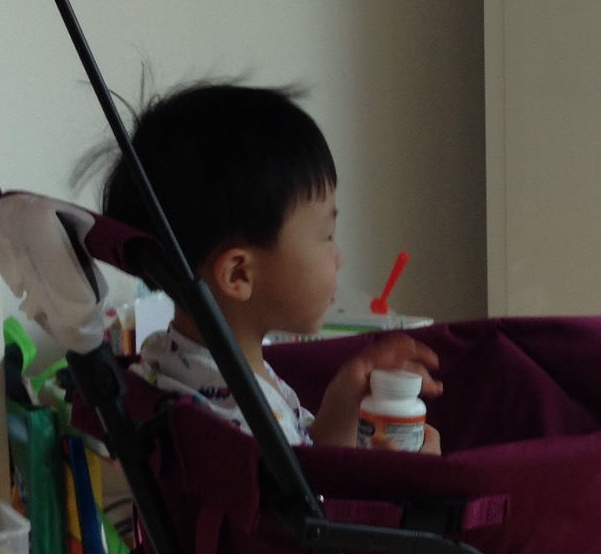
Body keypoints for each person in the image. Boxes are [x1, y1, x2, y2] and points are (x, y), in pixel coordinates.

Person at [94, 81, 441, 450]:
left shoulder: (181, 364)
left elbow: (306, 467)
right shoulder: (240, 420)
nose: (339, 257)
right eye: (327, 236)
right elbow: (309, 488)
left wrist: (346, 395)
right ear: (239, 274)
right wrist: (414, 477)